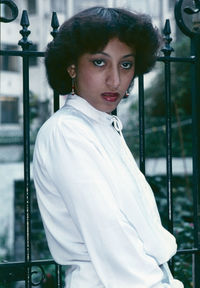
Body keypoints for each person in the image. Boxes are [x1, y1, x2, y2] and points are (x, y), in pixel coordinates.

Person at [33, 6, 184, 288]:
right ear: (72, 68)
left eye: (125, 64)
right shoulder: (67, 132)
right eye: (100, 63)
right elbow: (110, 235)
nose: (115, 80)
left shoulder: (101, 127)